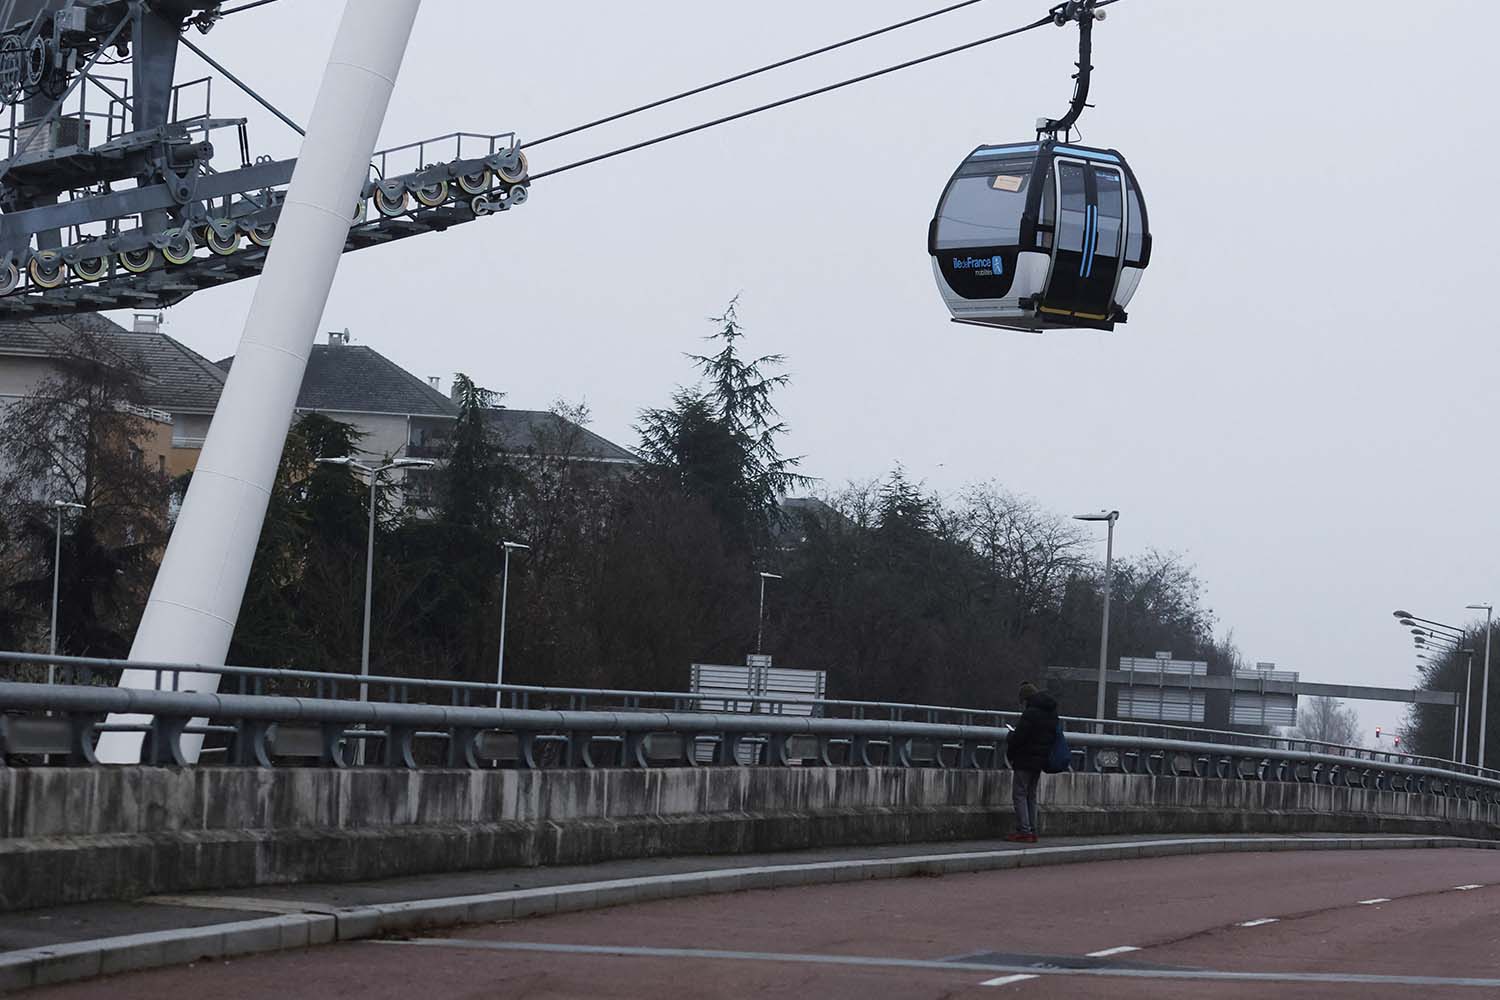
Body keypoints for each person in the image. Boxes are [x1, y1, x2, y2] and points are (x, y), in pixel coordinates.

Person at [1004, 681, 1059, 843]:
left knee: (1019, 794)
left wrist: (1010, 736)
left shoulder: (1030, 714)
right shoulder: (1051, 713)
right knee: (1031, 795)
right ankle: (1032, 830)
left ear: (1026, 699)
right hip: (1040, 760)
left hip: (1025, 759)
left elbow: (1020, 737)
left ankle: (1024, 831)